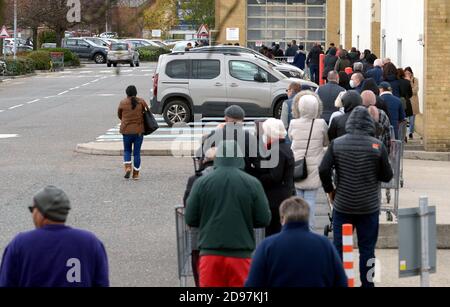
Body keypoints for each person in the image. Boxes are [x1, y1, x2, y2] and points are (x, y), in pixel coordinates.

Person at [319, 107, 393, 288]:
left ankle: (339, 283)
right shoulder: (377, 145)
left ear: (350, 123)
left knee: (340, 249)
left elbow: (323, 169)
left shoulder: (337, 144)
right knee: (367, 249)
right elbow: (387, 176)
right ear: (369, 123)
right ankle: (368, 284)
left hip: (343, 205)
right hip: (369, 206)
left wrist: (331, 189)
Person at [185, 140, 271, 287]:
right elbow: (263, 219)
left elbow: (190, 218)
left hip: (209, 252)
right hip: (241, 253)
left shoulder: (201, 182)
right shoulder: (252, 183)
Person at [0, 186, 109, 287]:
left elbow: (6, 283)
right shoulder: (90, 242)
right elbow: (101, 283)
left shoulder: (20, 244)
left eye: (32, 209)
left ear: (40, 212)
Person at [244, 197, 348, 288]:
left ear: (282, 219)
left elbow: (253, 284)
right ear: (307, 218)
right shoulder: (325, 245)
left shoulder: (267, 246)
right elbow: (341, 282)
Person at [289, 92, 329, 230]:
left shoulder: (293, 123)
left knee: (298, 199)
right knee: (311, 200)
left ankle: (297, 227)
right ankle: (310, 229)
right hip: (314, 166)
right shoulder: (321, 123)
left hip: (298, 165)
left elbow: (291, 137)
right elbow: (325, 142)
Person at [183, 148, 217, 287]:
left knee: (200, 271)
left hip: (200, 235)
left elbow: (188, 206)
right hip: (227, 237)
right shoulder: (235, 179)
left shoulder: (195, 179)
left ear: (204, 161)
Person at [256, 119, 295, 236]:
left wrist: (257, 179)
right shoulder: (285, 147)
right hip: (284, 195)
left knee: (273, 232)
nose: (264, 135)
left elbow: (274, 176)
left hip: (275, 200)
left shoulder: (276, 150)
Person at [200, 105, 259, 174]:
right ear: (242, 120)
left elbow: (202, 157)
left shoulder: (214, 135)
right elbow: (258, 163)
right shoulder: (250, 138)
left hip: (217, 175)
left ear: (225, 118)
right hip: (243, 177)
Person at [118, 85, 149, 180]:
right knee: (136, 153)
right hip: (139, 131)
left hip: (126, 131)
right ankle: (136, 174)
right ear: (136, 93)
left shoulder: (122, 102)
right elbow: (147, 112)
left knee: (127, 150)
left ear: (127, 93)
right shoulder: (141, 102)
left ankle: (128, 167)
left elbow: (119, 115)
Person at [404, 67, 420, 139]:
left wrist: (409, 82)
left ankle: (410, 132)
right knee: (404, 119)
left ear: (411, 73)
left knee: (412, 120)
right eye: (406, 73)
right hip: (406, 102)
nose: (407, 74)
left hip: (413, 102)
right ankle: (404, 134)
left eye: (409, 73)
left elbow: (415, 90)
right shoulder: (402, 80)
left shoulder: (415, 80)